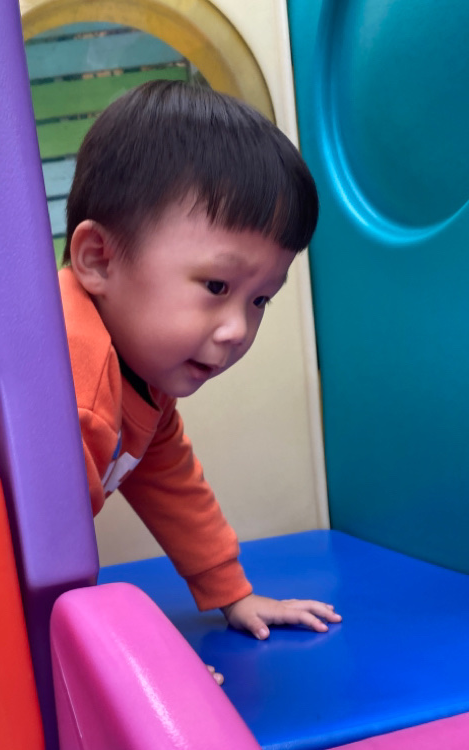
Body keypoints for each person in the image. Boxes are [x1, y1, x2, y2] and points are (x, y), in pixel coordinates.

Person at [59, 80, 341, 653]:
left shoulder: (140, 377)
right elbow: (35, 549)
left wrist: (232, 593)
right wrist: (106, 665)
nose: (238, 328)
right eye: (216, 286)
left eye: (260, 299)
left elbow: (168, 479)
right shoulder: (72, 376)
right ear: (99, 259)